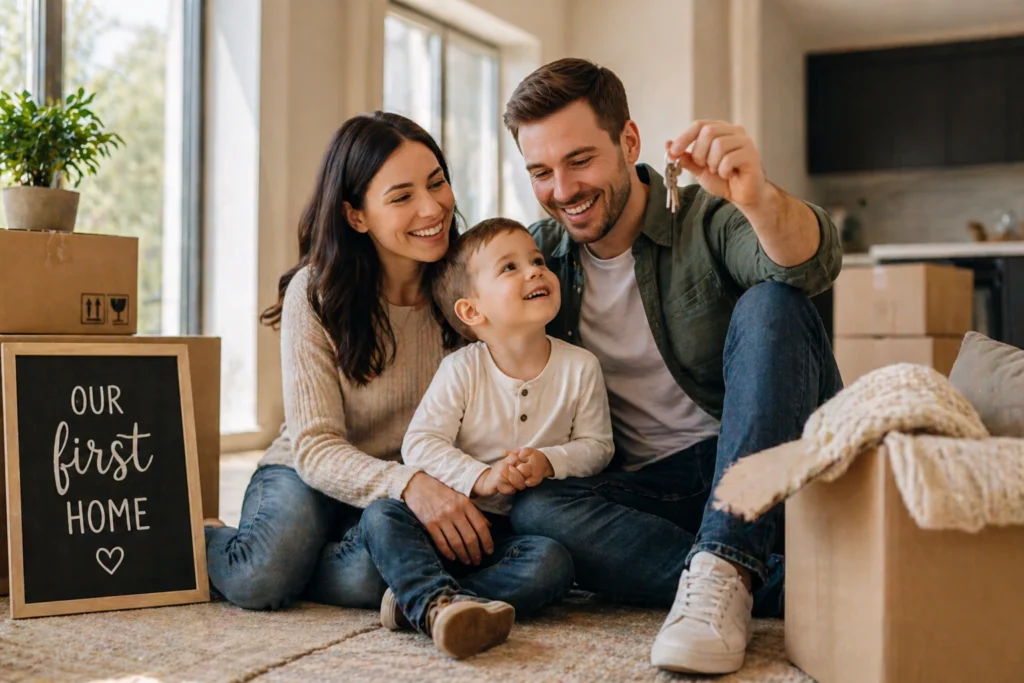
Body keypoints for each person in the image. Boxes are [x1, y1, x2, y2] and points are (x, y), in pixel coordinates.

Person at [501, 58, 844, 675]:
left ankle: (732, 561)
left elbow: (806, 267)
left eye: (580, 161)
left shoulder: (705, 215)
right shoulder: (540, 258)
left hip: (764, 471)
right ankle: (761, 578)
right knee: (533, 509)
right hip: (653, 489)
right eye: (540, 172)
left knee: (773, 303)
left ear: (628, 142)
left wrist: (760, 199)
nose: (563, 190)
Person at [204, 114, 549, 648]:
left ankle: (403, 589)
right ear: (356, 215)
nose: (432, 208)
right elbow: (316, 447)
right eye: (401, 196)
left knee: (383, 573)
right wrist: (408, 482)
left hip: (412, 491)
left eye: (436, 182)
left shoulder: (466, 291)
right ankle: (208, 536)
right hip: (315, 471)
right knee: (261, 575)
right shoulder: (315, 293)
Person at [360, 217, 614, 659]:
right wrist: (480, 477)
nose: (535, 270)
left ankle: (418, 601)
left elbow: (598, 447)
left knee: (553, 565)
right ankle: (437, 602)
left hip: (508, 537)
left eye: (536, 260)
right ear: (472, 311)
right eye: (510, 268)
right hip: (443, 522)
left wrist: (549, 460)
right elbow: (419, 443)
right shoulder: (462, 369)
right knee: (382, 515)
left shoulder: (580, 366)